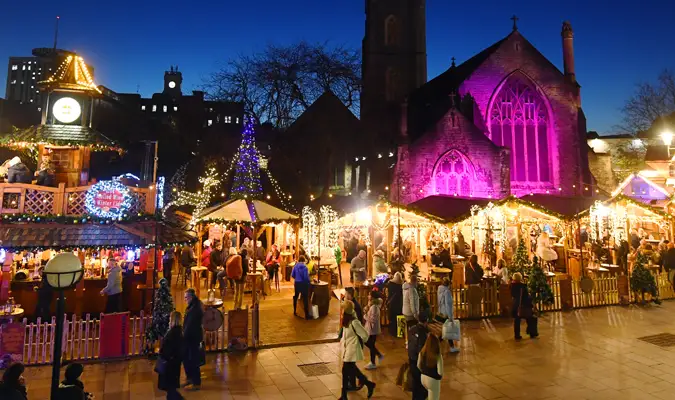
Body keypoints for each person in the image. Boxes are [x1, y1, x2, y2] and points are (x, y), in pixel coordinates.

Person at [339, 301, 376, 400]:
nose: (341, 311)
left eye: (342, 309)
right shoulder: (346, 321)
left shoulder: (354, 322)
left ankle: (344, 396)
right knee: (352, 371)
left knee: (346, 370)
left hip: (352, 350)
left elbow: (364, 335)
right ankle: (369, 384)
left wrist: (363, 344)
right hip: (347, 350)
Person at [158, 311, 184, 400]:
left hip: (169, 365)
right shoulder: (179, 331)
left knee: (170, 390)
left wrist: (162, 353)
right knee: (171, 389)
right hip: (174, 364)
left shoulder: (173, 333)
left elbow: (168, 349)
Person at [183, 289, 204, 390]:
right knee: (187, 359)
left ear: (191, 297)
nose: (185, 300)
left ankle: (196, 383)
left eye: (186, 298)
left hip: (192, 338)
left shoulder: (194, 309)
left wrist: (183, 336)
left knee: (193, 360)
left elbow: (190, 326)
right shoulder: (193, 306)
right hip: (190, 337)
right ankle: (190, 378)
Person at [407, 311, 430, 400]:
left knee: (415, 383)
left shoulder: (412, 329)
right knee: (421, 384)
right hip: (418, 360)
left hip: (411, 358)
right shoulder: (423, 333)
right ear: (426, 321)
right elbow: (422, 349)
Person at [510, 272, 538, 340]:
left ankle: (517, 335)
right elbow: (526, 296)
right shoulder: (522, 286)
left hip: (516, 305)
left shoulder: (512, 286)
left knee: (517, 321)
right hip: (524, 305)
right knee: (530, 319)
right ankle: (532, 333)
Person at [417, 334, 443, 400]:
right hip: (433, 380)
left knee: (429, 396)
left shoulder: (422, 352)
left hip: (423, 378)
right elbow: (440, 372)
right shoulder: (437, 355)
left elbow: (418, 365)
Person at [437, 278, 459, 353]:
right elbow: (448, 305)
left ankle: (436, 344)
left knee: (444, 331)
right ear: (448, 284)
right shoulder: (447, 292)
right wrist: (450, 317)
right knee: (448, 331)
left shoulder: (439, 290)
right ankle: (452, 347)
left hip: (441, 313)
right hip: (446, 314)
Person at [364, 290, 384, 370]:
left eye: (369, 295)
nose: (368, 296)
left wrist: (365, 316)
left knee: (369, 344)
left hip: (373, 329)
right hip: (371, 328)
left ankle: (374, 361)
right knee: (370, 344)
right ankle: (377, 357)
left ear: (372, 297)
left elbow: (373, 319)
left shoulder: (375, 307)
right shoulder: (372, 305)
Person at [387, 272, 404, 337]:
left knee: (393, 318)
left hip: (392, 304)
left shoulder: (390, 284)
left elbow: (385, 284)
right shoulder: (401, 285)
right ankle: (400, 332)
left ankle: (393, 332)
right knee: (400, 317)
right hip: (400, 303)